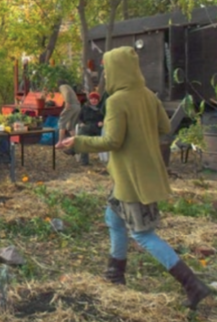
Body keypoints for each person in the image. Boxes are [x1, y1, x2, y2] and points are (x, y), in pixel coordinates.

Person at [59, 46, 210, 310]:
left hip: (133, 178)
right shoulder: (148, 96)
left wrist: (78, 142)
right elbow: (164, 127)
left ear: (117, 70)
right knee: (113, 219)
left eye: (107, 68)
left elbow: (112, 140)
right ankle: (115, 276)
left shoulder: (117, 100)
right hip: (139, 173)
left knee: (143, 235)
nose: (105, 74)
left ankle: (193, 285)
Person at [65, 91, 104, 165]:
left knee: (83, 130)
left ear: (98, 100)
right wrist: (81, 123)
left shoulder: (101, 109)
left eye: (96, 99)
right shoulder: (85, 108)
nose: (94, 100)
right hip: (86, 128)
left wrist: (103, 122)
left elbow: (107, 118)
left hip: (97, 129)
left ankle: (73, 149)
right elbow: (79, 118)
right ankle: (84, 162)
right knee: (83, 137)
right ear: (89, 100)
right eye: (92, 99)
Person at [55, 82, 81, 148]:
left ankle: (60, 142)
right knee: (70, 126)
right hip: (77, 106)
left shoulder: (62, 86)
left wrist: (67, 102)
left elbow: (67, 93)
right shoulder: (69, 87)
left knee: (62, 122)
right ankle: (77, 142)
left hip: (71, 106)